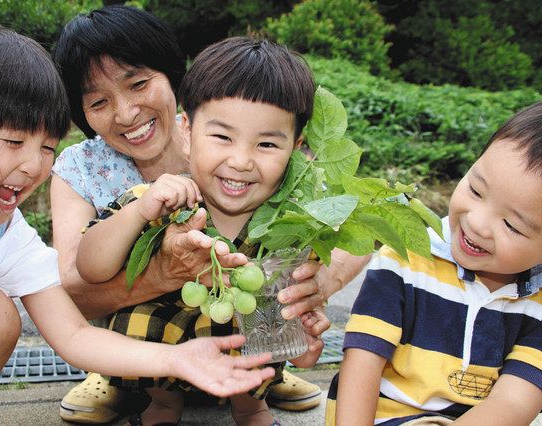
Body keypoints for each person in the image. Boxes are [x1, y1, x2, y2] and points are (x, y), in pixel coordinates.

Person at [0, 22, 277, 425]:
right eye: (12, 142)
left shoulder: (8, 239)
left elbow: (74, 335)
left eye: (46, 146)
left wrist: (177, 359)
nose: (33, 167)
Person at [51, 4, 369, 423]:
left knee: (262, 299)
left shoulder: (236, 132)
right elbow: (72, 285)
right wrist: (159, 266)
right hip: (148, 328)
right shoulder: (93, 172)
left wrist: (317, 285)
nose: (126, 113)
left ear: (172, 79)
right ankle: (119, 374)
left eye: (140, 83)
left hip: (238, 318)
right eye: (98, 101)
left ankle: (257, 380)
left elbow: (357, 225)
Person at [326, 102, 542, 425]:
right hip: (384, 416)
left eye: (511, 225)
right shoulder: (409, 256)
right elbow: (363, 357)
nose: (478, 223)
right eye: (476, 190)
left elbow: (514, 402)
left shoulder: (535, 302)